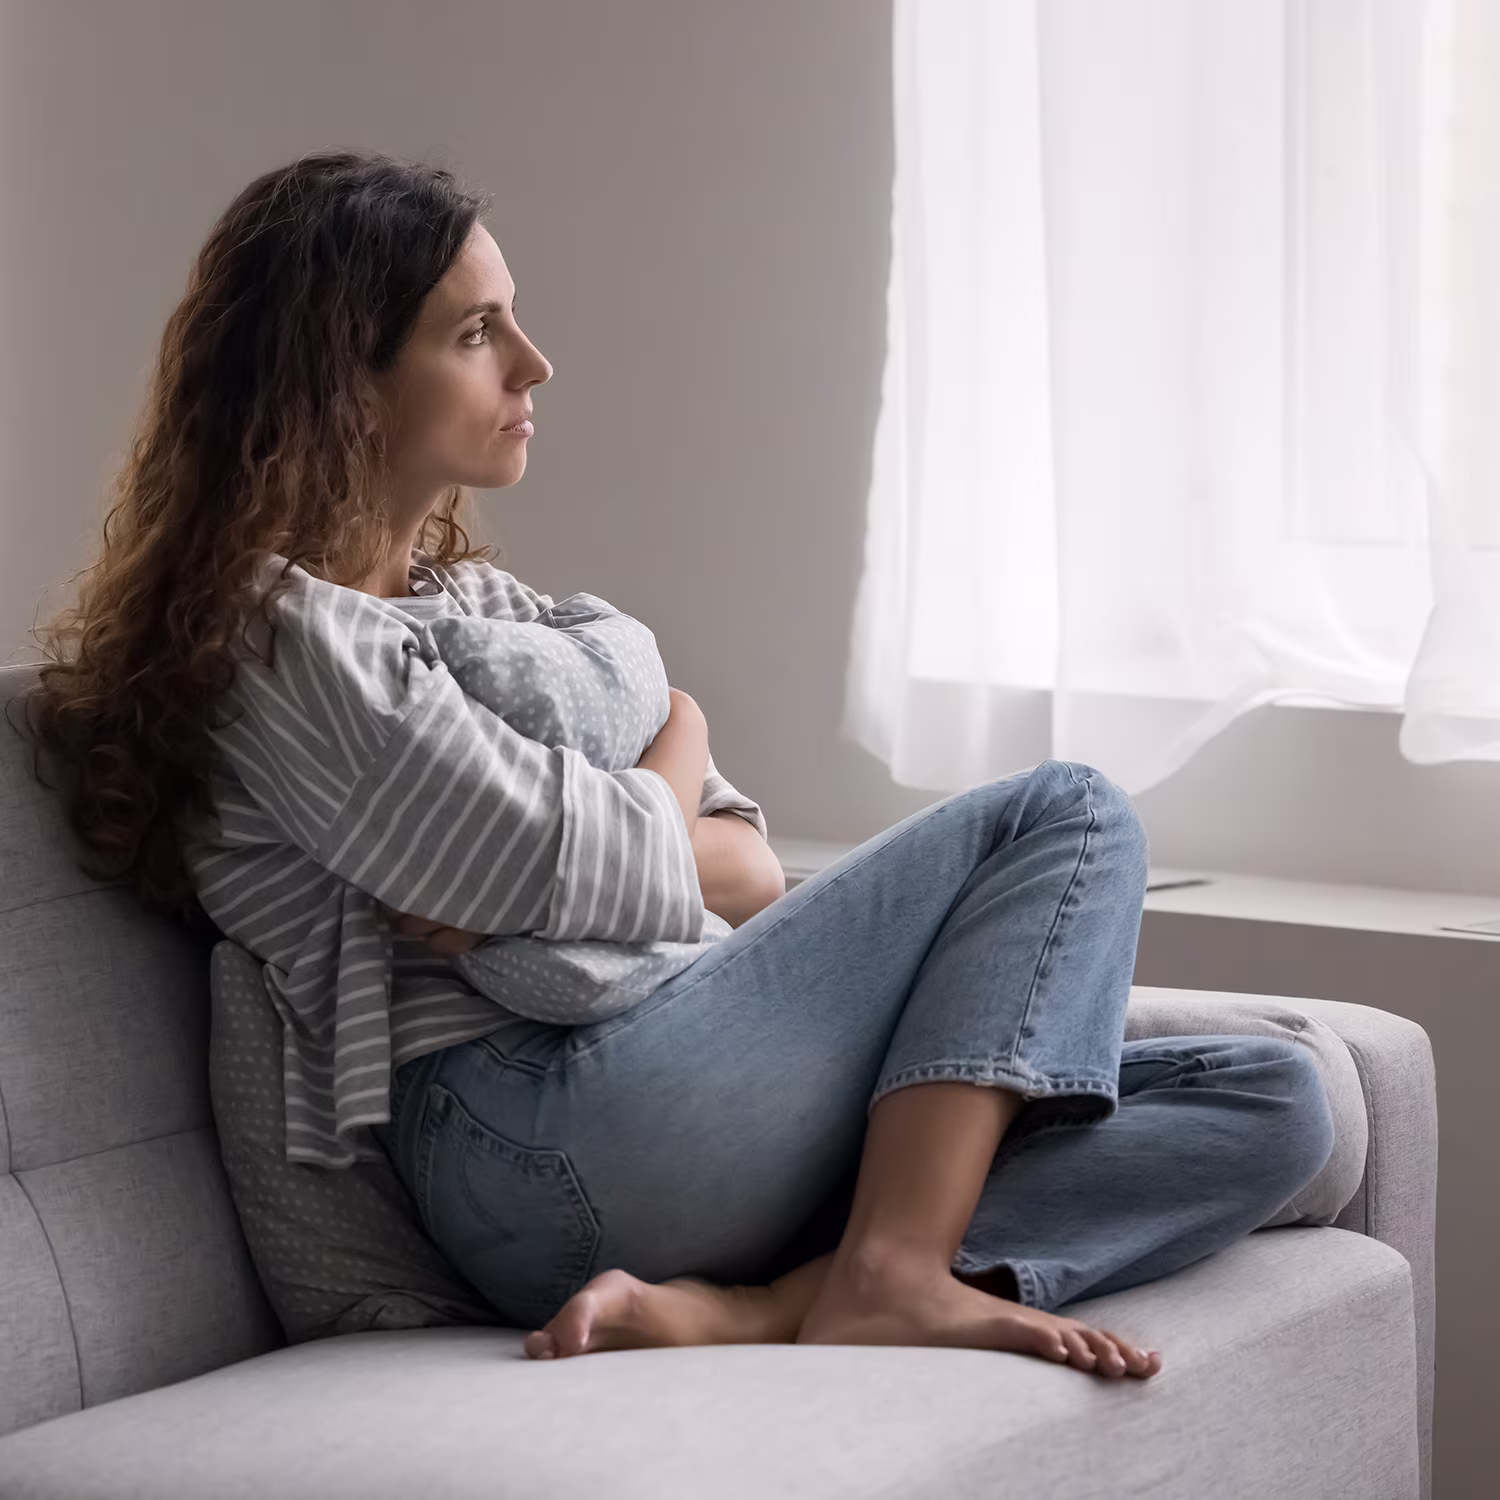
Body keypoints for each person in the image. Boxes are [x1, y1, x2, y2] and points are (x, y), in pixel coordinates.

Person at [11, 150, 1336, 1383]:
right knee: (1072, 813)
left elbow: (749, 872)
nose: (535, 363)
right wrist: (670, 773)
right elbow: (556, 860)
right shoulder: (282, 641)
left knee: (1276, 1099)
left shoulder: (489, 615)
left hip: (671, 1096)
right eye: (475, 334)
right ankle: (885, 1271)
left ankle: (775, 1303)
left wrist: (678, 753)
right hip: (528, 1133)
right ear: (338, 386)